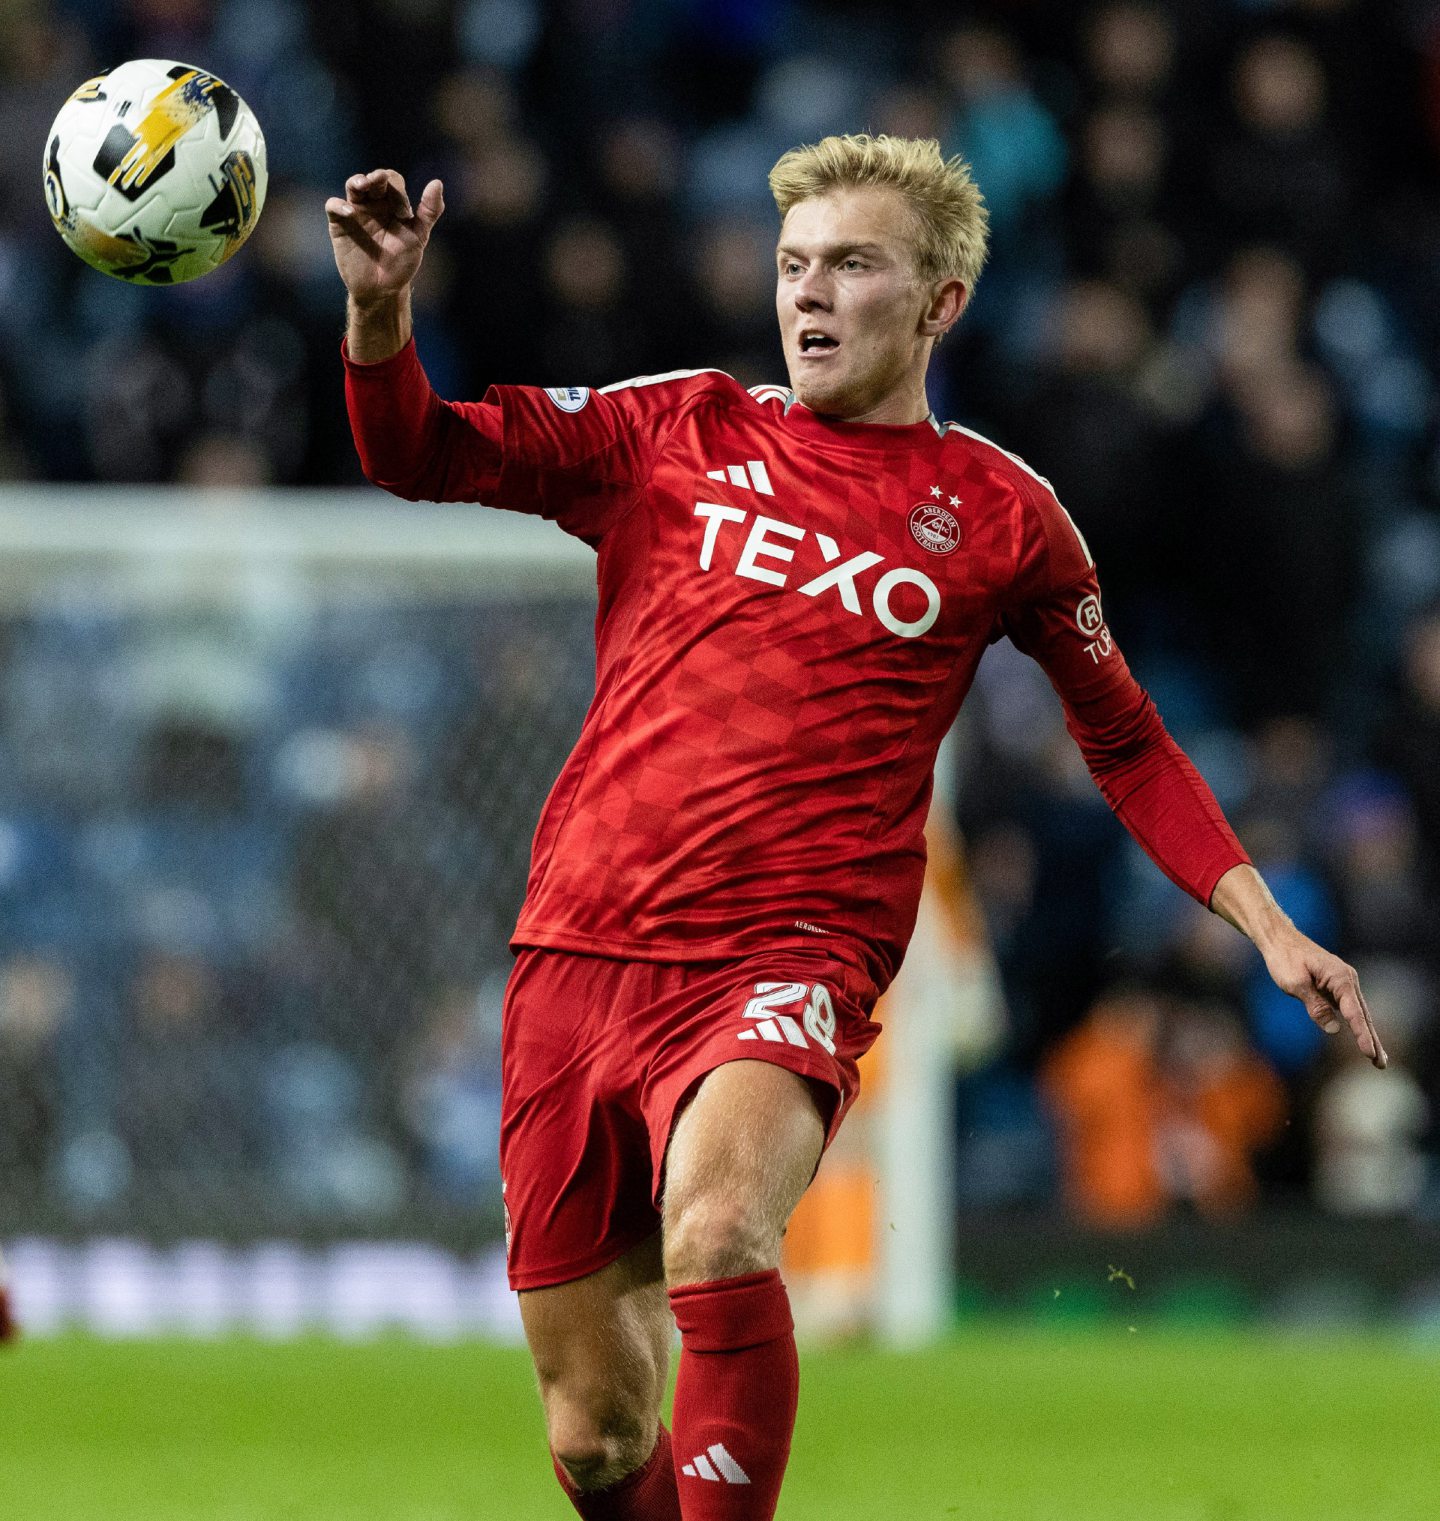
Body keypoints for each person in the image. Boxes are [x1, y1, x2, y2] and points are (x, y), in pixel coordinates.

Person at [327, 133, 1386, 1521]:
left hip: (790, 949)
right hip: (578, 948)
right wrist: (379, 311)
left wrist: (1269, 923)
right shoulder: (680, 428)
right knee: (596, 1430)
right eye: (793, 266)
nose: (809, 294)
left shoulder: (1005, 520)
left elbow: (1125, 739)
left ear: (940, 301)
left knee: (719, 1228)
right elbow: (424, 454)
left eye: (852, 266)